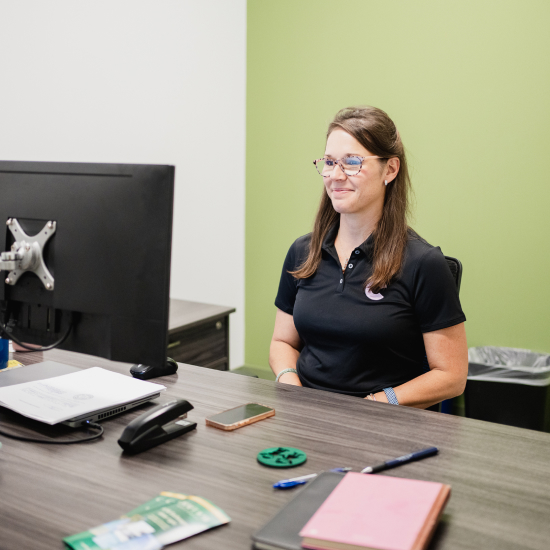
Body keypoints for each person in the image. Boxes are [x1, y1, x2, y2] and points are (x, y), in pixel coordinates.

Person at [270, 106, 468, 409]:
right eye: (329, 162)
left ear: (390, 169)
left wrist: (373, 405)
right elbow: (283, 342)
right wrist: (290, 384)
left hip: (381, 424)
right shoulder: (303, 252)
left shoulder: (423, 263)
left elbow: (451, 376)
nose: (336, 175)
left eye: (352, 162)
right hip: (306, 418)